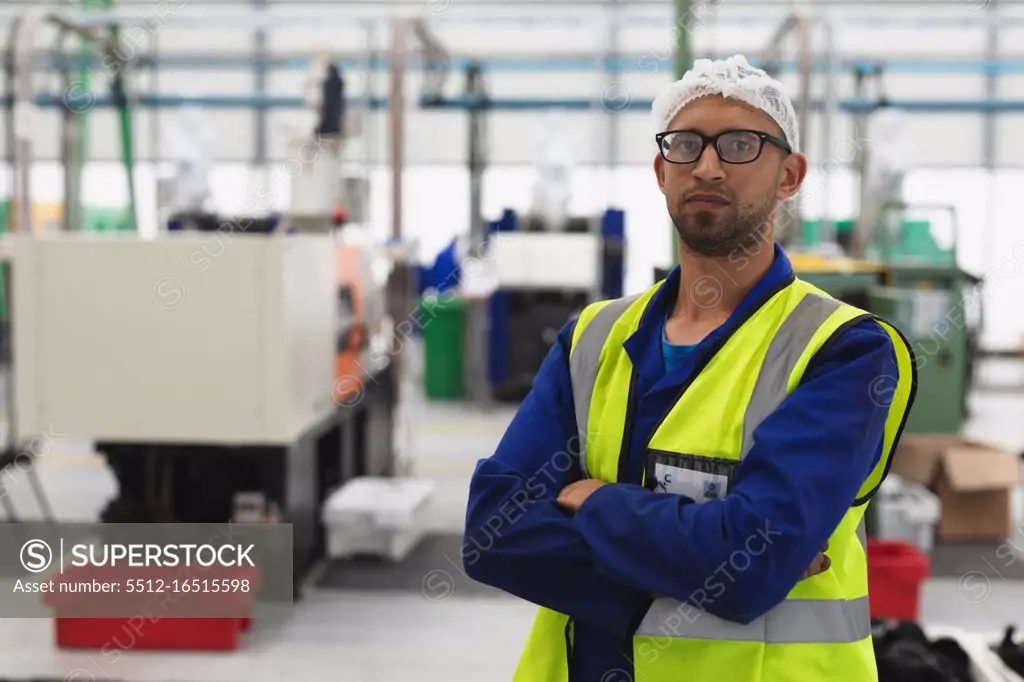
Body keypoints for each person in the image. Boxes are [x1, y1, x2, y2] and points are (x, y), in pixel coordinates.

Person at [462, 54, 917, 682]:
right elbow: (493, 532)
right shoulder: (592, 338)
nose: (706, 166)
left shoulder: (844, 351)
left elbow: (751, 562)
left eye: (739, 144)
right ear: (660, 169)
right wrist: (704, 557)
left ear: (790, 175)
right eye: (685, 145)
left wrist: (596, 503)